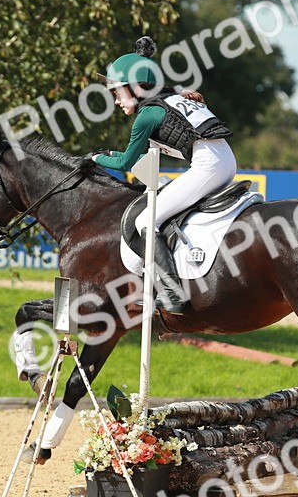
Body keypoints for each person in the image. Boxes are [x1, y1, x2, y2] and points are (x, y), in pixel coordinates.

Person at [91, 36, 236, 314]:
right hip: (224, 159)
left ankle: (172, 292)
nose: (116, 101)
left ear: (135, 88)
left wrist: (96, 157)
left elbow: (124, 162)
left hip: (208, 165)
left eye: (116, 92)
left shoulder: (147, 115)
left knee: (147, 220)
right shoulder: (173, 98)